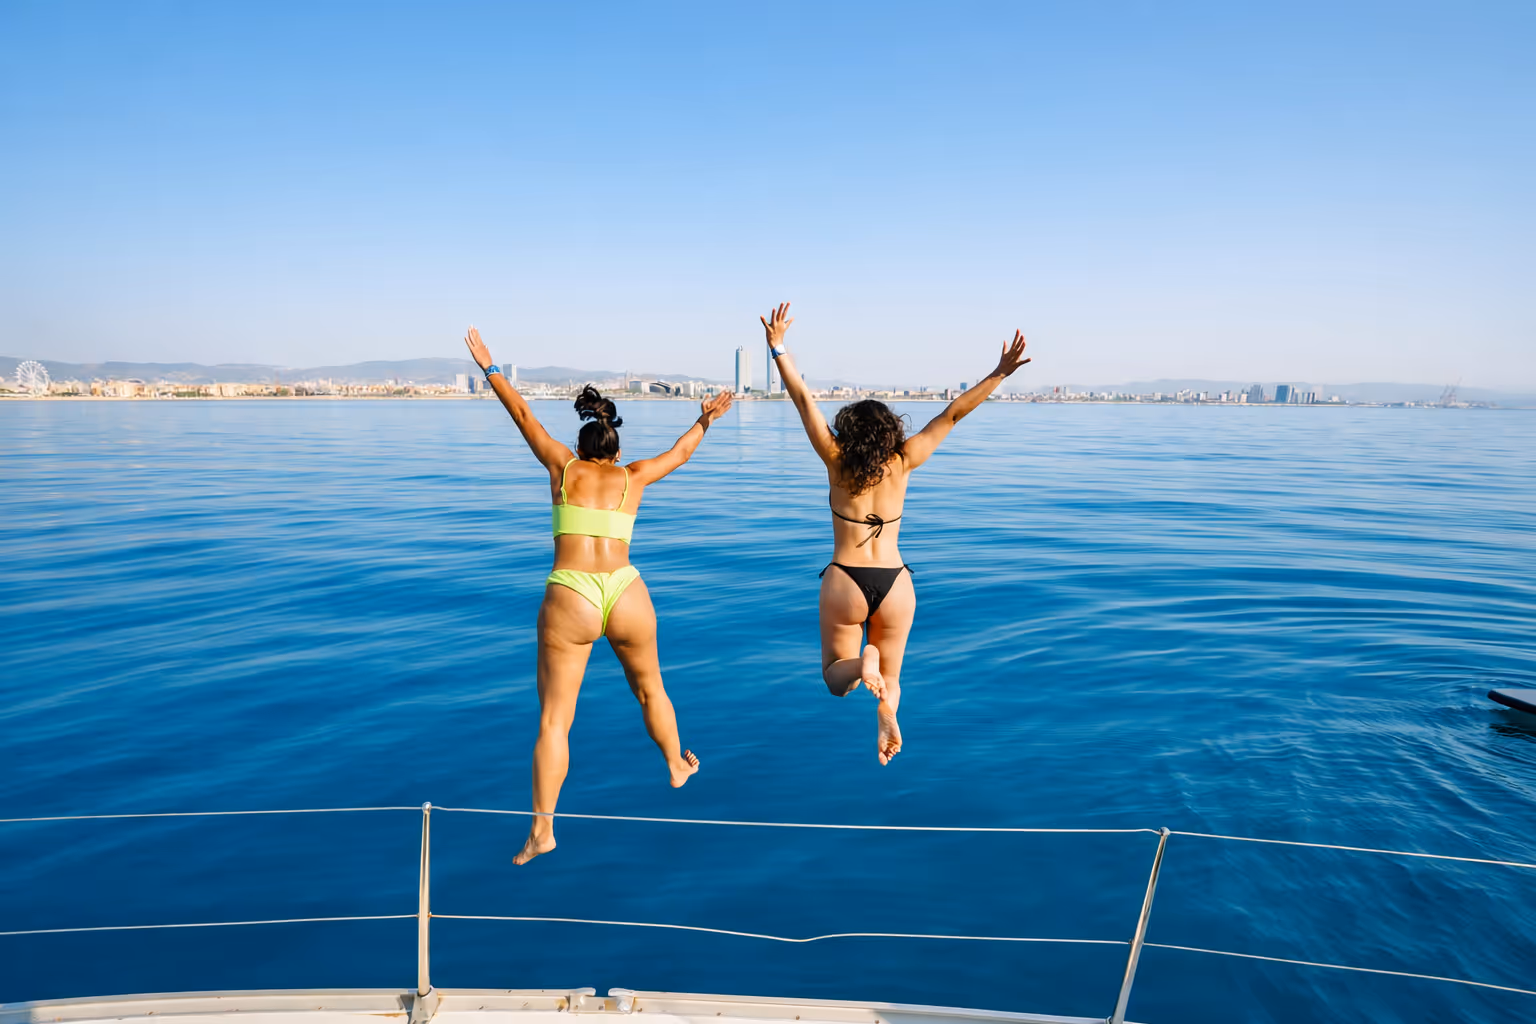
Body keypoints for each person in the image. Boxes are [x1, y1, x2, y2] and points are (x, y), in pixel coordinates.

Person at [464, 327, 734, 864]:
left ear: (584, 443)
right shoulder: (633, 478)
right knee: (651, 690)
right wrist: (705, 419)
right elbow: (680, 454)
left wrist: (491, 368)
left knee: (555, 720)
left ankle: (543, 830)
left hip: (572, 594)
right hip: (627, 590)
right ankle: (676, 765)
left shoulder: (563, 469)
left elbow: (524, 417)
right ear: (615, 450)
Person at [760, 303, 1030, 764]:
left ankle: (862, 665)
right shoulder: (904, 461)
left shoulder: (835, 459)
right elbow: (951, 415)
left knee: (834, 679)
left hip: (846, 579)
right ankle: (886, 711)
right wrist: (999, 373)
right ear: (889, 432)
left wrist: (778, 347)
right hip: (896, 582)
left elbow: (804, 400)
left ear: (848, 430)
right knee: (894, 673)